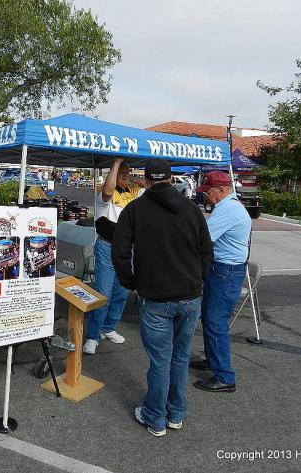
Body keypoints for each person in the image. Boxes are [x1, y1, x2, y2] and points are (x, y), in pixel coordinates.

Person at [112, 160, 213, 437]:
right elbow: (207, 251)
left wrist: (131, 283)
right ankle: (175, 413)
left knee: (161, 361)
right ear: (170, 178)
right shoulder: (191, 209)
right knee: (179, 358)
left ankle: (155, 417)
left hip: (155, 298)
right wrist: (198, 279)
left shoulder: (134, 209)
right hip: (190, 296)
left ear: (145, 180)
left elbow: (119, 253)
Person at [190, 171, 251, 393]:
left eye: (209, 191)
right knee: (209, 318)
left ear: (222, 190)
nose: (206, 196)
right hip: (224, 269)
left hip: (226, 270)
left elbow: (202, 238)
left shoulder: (228, 209)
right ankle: (213, 359)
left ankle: (224, 376)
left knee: (215, 322)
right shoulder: (228, 207)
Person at [83, 158, 146, 355]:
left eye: (128, 172)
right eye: (122, 173)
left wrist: (131, 177)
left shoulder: (133, 192)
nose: (126, 176)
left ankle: (108, 328)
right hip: (107, 247)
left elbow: (152, 187)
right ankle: (92, 336)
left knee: (121, 293)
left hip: (127, 250)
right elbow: (109, 191)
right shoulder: (104, 195)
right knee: (103, 294)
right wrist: (116, 164)